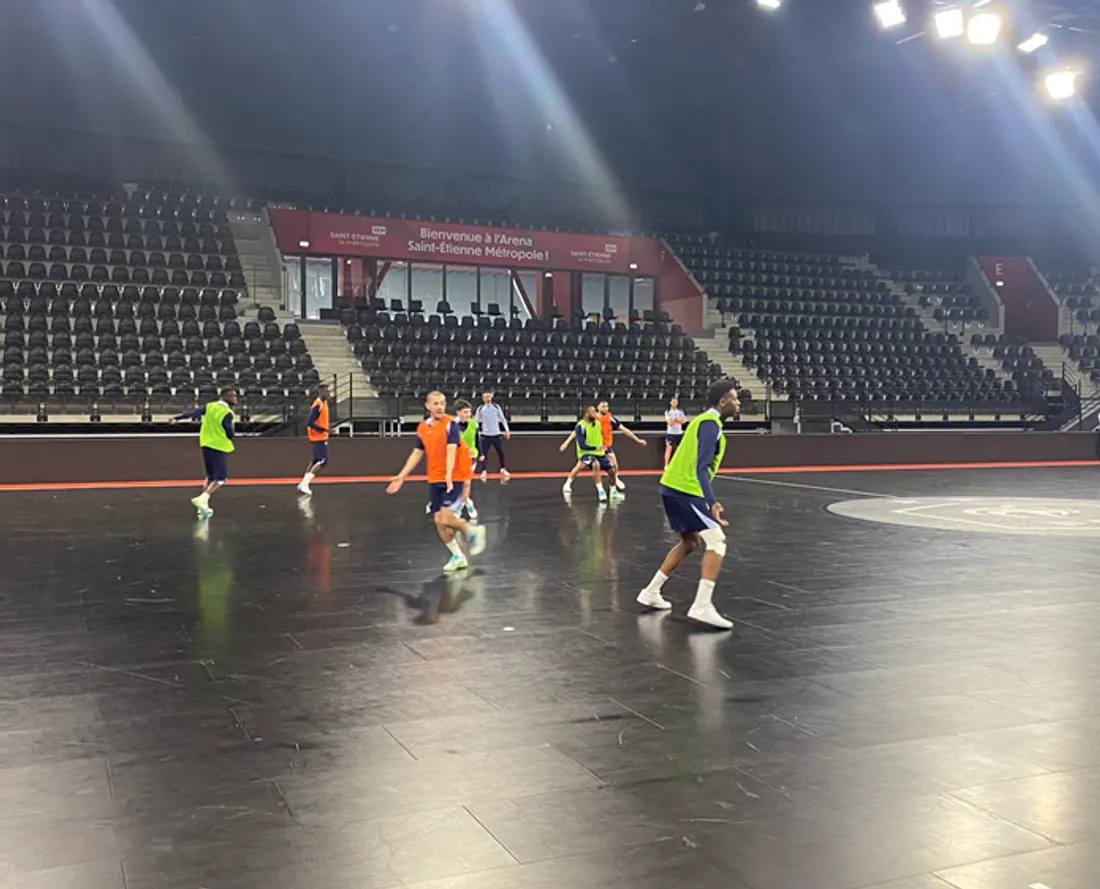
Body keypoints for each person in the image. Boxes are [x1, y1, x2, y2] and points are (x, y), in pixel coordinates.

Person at [636, 378, 741, 629]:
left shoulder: (703, 422)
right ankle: (702, 606)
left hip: (672, 487)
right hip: (686, 489)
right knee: (717, 542)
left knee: (690, 542)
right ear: (723, 401)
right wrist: (712, 502)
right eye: (735, 399)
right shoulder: (709, 423)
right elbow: (701, 467)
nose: (738, 404)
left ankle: (651, 592)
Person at [388, 391, 487, 573]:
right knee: (438, 520)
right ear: (428, 406)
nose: (440, 407)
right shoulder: (423, 428)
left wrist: (449, 475)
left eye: (442, 403)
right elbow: (417, 452)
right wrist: (401, 475)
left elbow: (451, 450)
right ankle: (458, 556)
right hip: (435, 477)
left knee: (447, 517)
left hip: (455, 475)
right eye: (435, 403)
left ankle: (473, 531)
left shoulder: (451, 425)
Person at [169, 388, 238, 519]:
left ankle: (203, 507)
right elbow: (229, 432)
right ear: (224, 396)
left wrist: (177, 418)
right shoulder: (227, 413)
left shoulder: (210, 406)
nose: (235, 398)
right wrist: (230, 436)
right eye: (232, 396)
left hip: (206, 444)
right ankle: (203, 498)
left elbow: (194, 413)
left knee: (210, 476)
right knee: (221, 478)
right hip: (219, 445)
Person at [560, 401, 646, 494]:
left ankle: (615, 481)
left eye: (607, 406)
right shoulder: (591, 419)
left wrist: (637, 440)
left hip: (604, 446)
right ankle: (568, 483)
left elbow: (624, 430)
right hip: (592, 447)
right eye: (603, 406)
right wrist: (567, 442)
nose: (605, 408)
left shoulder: (610, 419)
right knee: (580, 465)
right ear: (598, 408)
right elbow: (577, 431)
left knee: (613, 460)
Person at [558, 404, 623, 503]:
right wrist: (567, 442)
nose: (595, 413)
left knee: (611, 470)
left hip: (598, 452)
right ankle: (601, 490)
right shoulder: (581, 426)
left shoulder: (598, 424)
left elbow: (601, 435)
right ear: (586, 414)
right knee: (594, 464)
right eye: (592, 412)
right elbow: (582, 444)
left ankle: (613, 491)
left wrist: (603, 446)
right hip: (585, 452)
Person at [298, 383, 330, 496]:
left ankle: (303, 482)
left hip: (321, 436)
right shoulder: (317, 405)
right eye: (326, 391)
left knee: (316, 460)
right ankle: (305, 484)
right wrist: (324, 430)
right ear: (320, 392)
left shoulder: (324, 403)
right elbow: (310, 422)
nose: (328, 393)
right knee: (323, 461)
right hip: (318, 436)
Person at [453, 398, 479, 521]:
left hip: (471, 457)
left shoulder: (473, 423)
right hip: (457, 458)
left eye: (469, 412)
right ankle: (468, 502)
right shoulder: (452, 426)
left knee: (466, 482)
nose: (468, 414)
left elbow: (478, 438)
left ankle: (461, 506)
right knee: (459, 484)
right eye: (465, 412)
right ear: (458, 412)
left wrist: (481, 453)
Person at [475, 391, 510, 480]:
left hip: (496, 434)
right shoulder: (480, 409)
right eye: (485, 397)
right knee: (484, 454)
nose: (487, 398)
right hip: (486, 434)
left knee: (500, 452)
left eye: (489, 397)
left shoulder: (496, 407)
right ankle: (483, 470)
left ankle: (503, 468)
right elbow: (476, 421)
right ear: (483, 398)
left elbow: (502, 419)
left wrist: (507, 430)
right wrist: (477, 431)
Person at [664, 395, 686, 469]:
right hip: (670, 433)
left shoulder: (680, 411)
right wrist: (677, 420)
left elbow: (683, 421)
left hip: (679, 433)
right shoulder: (667, 412)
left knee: (679, 450)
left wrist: (675, 420)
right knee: (668, 449)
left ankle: (679, 464)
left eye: (675, 402)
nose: (674, 403)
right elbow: (670, 422)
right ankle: (666, 465)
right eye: (673, 402)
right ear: (670, 403)